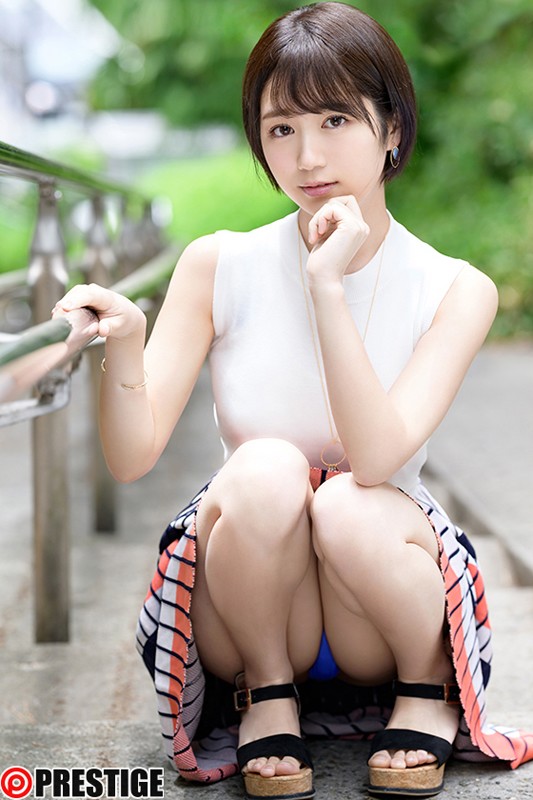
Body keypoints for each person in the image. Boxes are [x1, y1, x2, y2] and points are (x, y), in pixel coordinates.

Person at [53, 3, 533, 798]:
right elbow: (132, 458)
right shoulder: (219, 264)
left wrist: (325, 286)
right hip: (251, 613)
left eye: (335, 119)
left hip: (375, 610)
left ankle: (426, 689)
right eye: (280, 129)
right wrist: (130, 340)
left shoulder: (454, 288)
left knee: (348, 499)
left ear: (391, 128)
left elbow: (376, 459)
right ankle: (266, 695)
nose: (307, 157)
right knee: (265, 467)